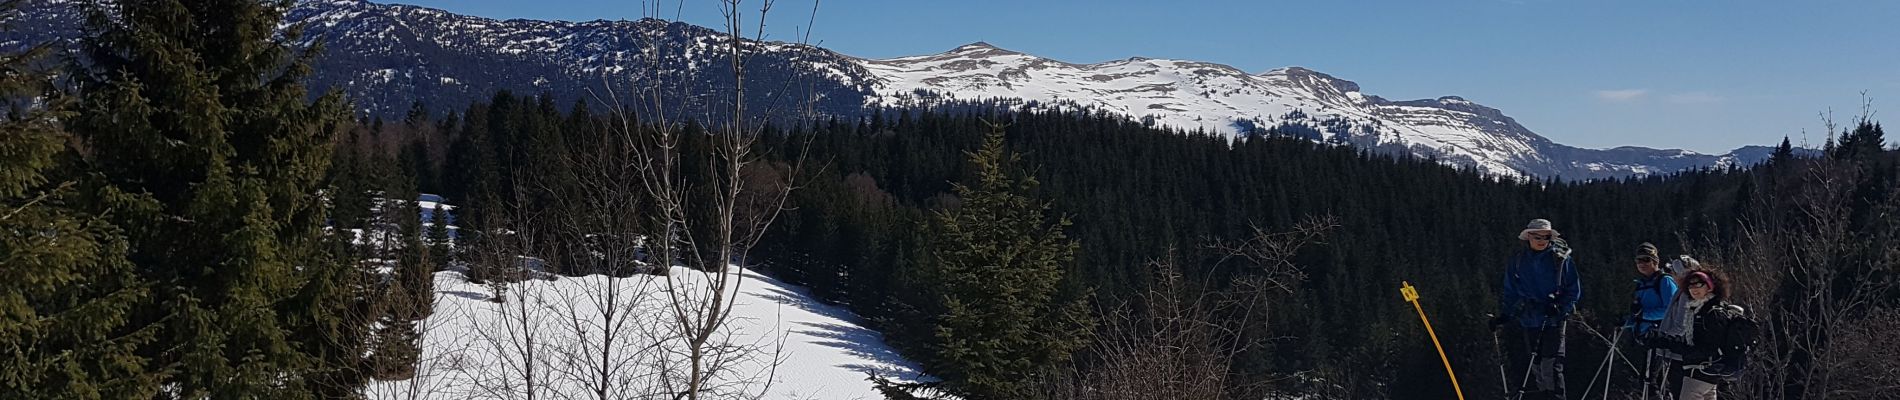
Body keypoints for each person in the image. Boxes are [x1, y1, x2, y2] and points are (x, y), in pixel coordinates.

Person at [1492, 218, 1582, 400]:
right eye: (1537, 236)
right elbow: (1511, 291)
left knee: (1552, 365)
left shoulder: (1561, 260)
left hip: (1553, 320)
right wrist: (1505, 315)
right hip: (1530, 318)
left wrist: (1560, 307)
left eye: (1546, 236)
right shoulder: (1518, 261)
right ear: (1528, 237)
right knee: (1538, 366)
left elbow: (1574, 289)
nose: (1541, 240)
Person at [1655, 270, 1753, 400]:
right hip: (1706, 373)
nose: (1694, 289)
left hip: (1700, 371)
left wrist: (1678, 348)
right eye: (1690, 286)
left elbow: (1708, 348)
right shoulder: (1700, 309)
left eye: (1699, 284)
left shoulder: (1711, 312)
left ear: (1709, 286)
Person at [1628, 243, 1679, 399]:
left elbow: (1670, 310)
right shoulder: (1642, 284)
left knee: (1649, 381)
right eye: (1638, 261)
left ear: (1655, 261)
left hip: (1659, 336)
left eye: (1646, 260)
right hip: (1646, 337)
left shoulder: (1664, 281)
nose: (1642, 264)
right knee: (1650, 380)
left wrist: (1644, 315)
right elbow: (1639, 313)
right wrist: (1626, 321)